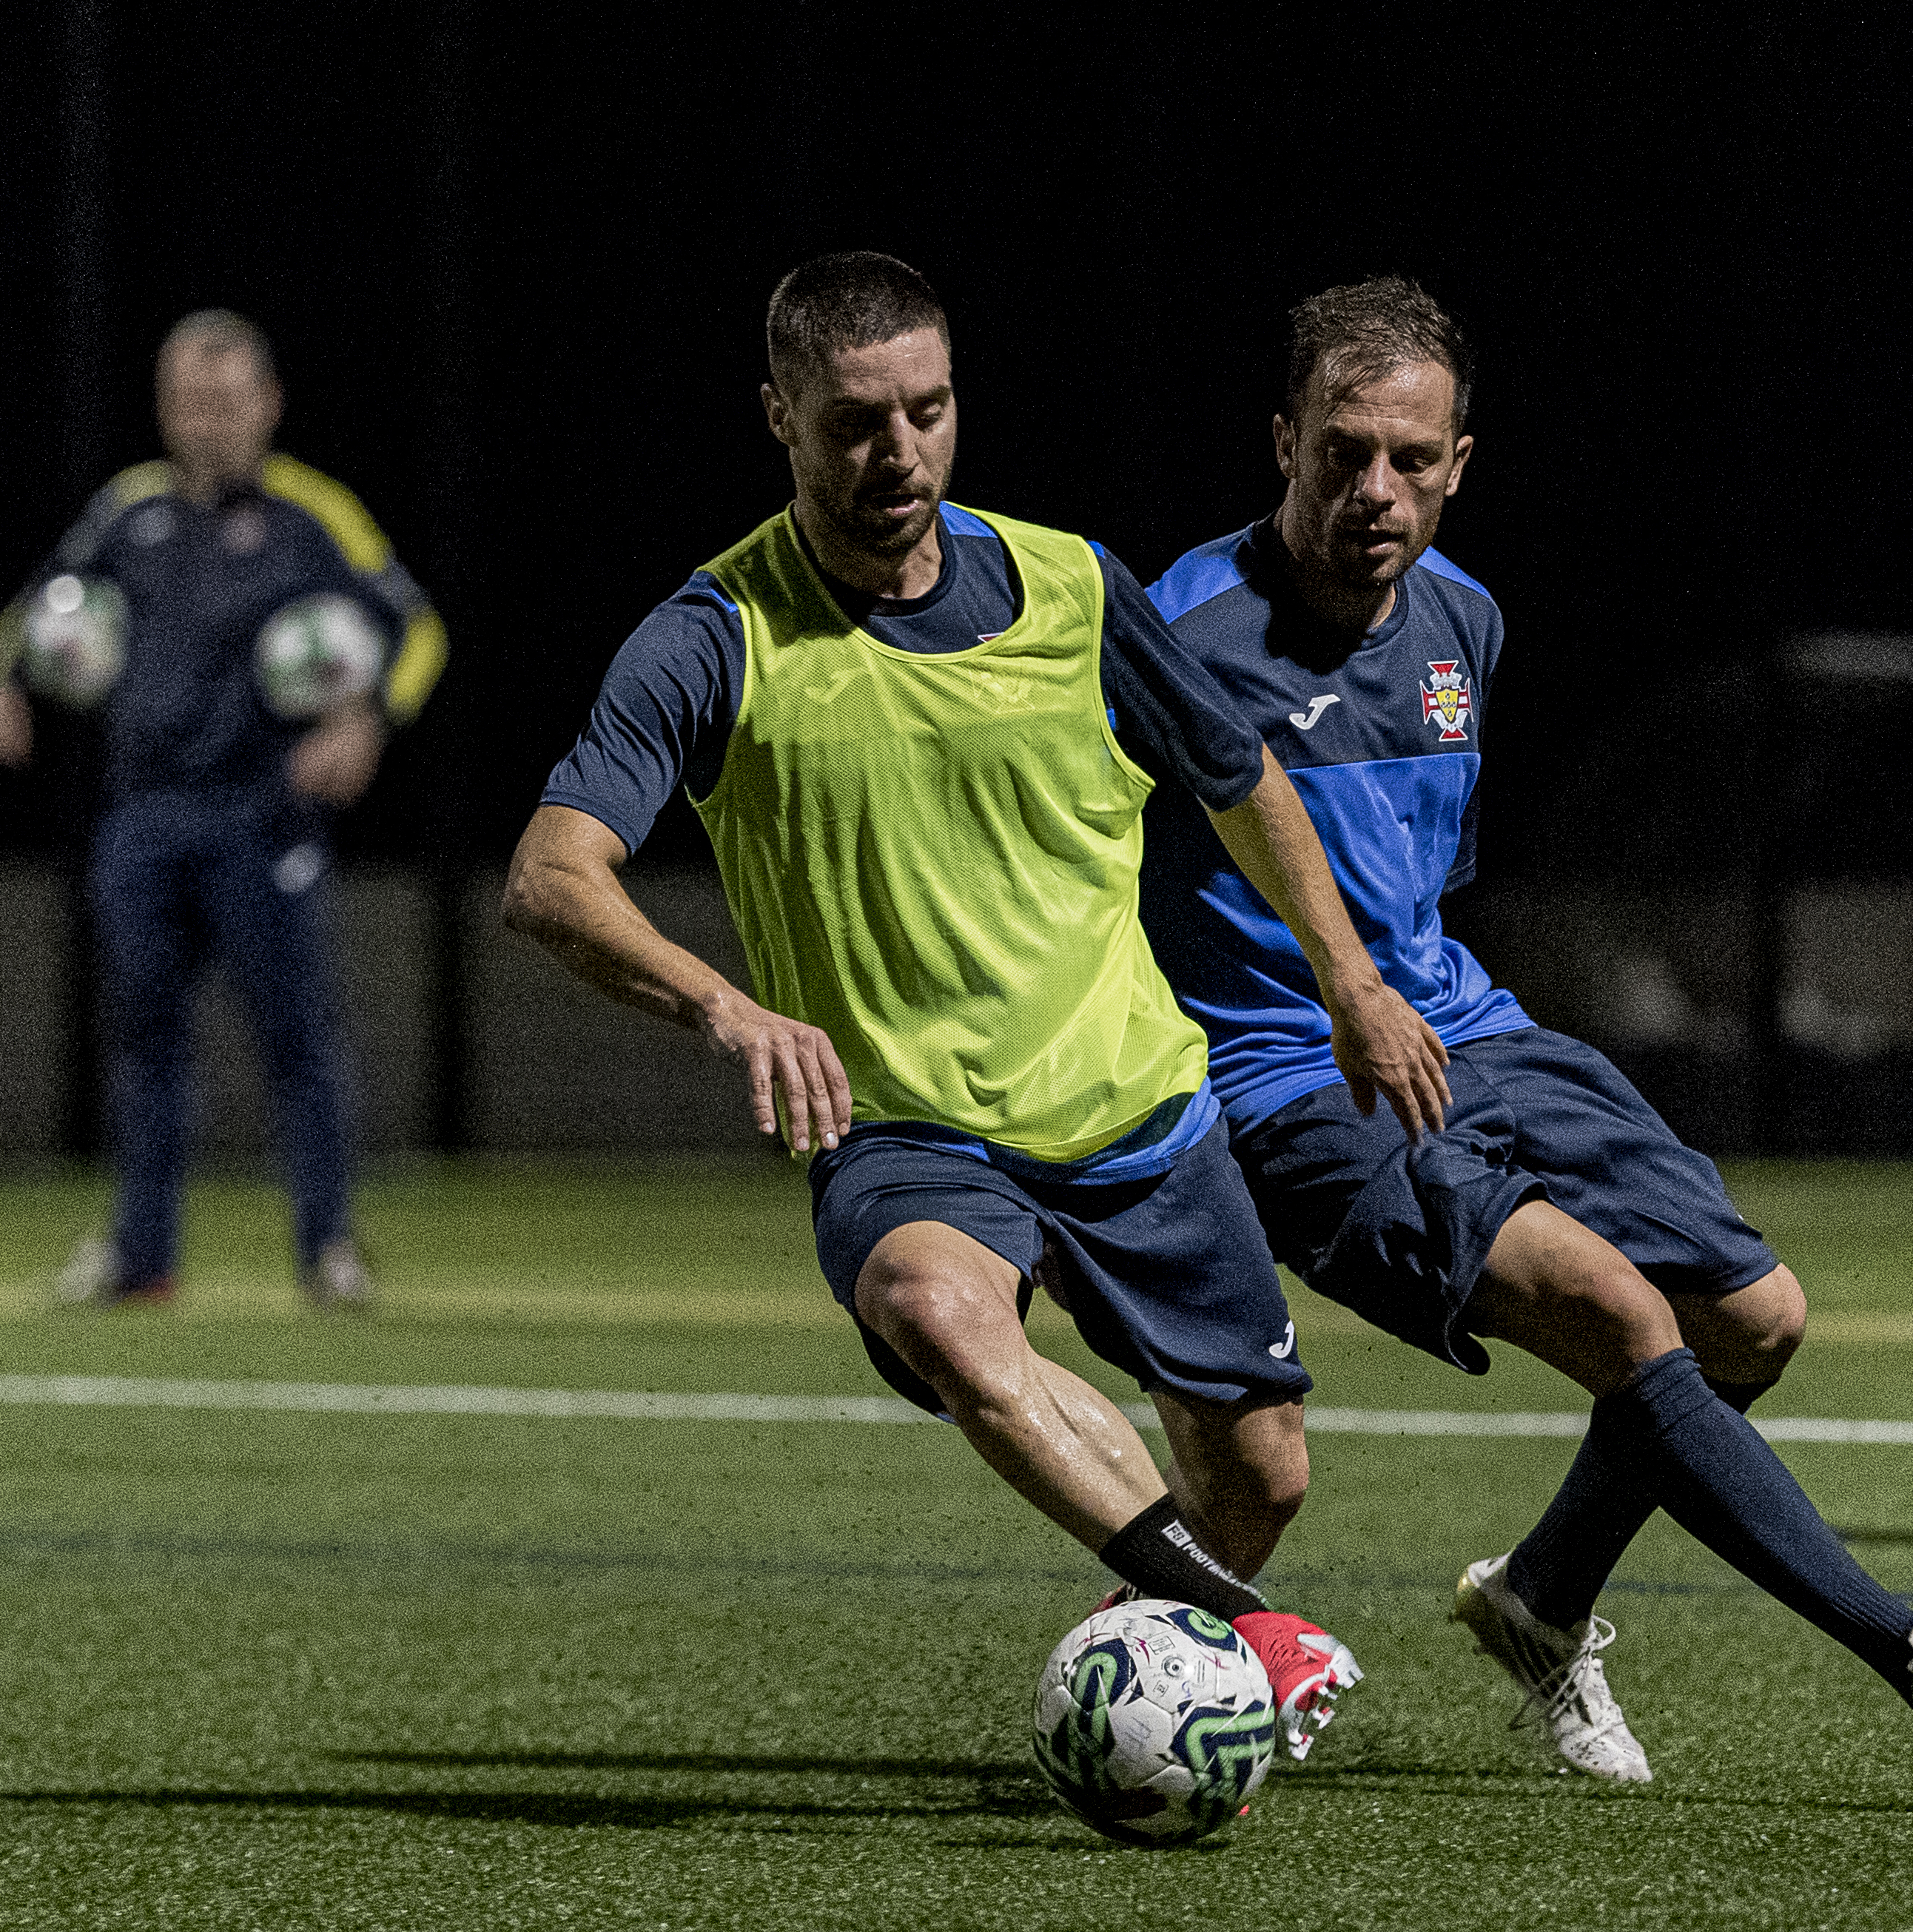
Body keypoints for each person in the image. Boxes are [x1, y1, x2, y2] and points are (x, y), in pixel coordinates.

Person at [502, 254, 1451, 1756]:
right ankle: (1254, 1641)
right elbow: (553, 875)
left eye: (927, 412)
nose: (898, 453)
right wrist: (726, 1009)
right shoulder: (717, 634)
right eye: (856, 419)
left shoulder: (1074, 587)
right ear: (780, 417)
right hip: (911, 1129)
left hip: (1136, 1105)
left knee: (1262, 1472)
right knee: (937, 1307)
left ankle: (1155, 1678)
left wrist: (1346, 972)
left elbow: (1239, 777)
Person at [1136, 276, 1913, 1786]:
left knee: (1755, 1315)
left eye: (1411, 459)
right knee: (1624, 1321)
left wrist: (1433, 1006)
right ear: (1280, 439)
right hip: (1290, 1080)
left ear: (1459, 462)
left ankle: (1541, 1596)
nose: (1377, 490)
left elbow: (1425, 885)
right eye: (1342, 450)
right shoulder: (1179, 629)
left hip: (1471, 1032)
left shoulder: (1464, 624)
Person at [0, 310, 448, 1310]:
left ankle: (328, 1250)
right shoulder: (128, 509)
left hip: (263, 819)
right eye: (189, 402)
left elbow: (416, 628)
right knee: (144, 1044)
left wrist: (367, 720)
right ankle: (144, 1260)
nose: (208, 421)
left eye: (226, 402)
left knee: (299, 1044)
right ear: (163, 408)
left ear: (267, 405)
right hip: (142, 818)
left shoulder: (315, 513)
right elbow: (39, 606)